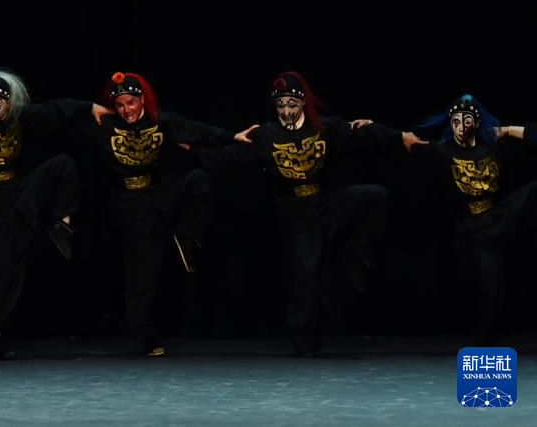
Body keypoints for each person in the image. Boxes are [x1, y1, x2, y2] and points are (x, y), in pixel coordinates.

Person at [207, 71, 425, 357]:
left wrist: (400, 137)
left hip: (326, 202)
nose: (286, 111)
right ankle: (303, 339)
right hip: (295, 212)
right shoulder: (266, 135)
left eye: (291, 104)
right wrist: (194, 147)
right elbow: (228, 158)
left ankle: (355, 252)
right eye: (280, 105)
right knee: (307, 276)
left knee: (374, 196)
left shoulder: (323, 127)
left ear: (302, 103)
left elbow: (362, 134)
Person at [0, 69, 107, 359]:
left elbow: (53, 110)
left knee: (62, 165)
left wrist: (89, 107)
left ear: (8, 103)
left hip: (21, 192)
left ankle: (61, 225)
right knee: (6, 269)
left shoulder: (18, 117)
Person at [86, 71, 257, 357]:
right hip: (128, 205)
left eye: (131, 103)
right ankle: (145, 334)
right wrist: (87, 107)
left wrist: (232, 136)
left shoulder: (160, 121)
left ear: (142, 100)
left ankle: (187, 237)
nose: (127, 110)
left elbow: (196, 130)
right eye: (120, 105)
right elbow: (63, 117)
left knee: (197, 181)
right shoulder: (105, 125)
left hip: (157, 194)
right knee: (142, 274)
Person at [412, 95, 537, 344]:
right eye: (456, 121)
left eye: (467, 120)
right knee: (490, 286)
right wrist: (376, 128)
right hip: (473, 227)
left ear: (476, 123)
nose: (461, 127)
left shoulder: (492, 146)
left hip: (500, 215)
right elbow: (406, 142)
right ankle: (482, 341)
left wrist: (508, 130)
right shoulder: (443, 151)